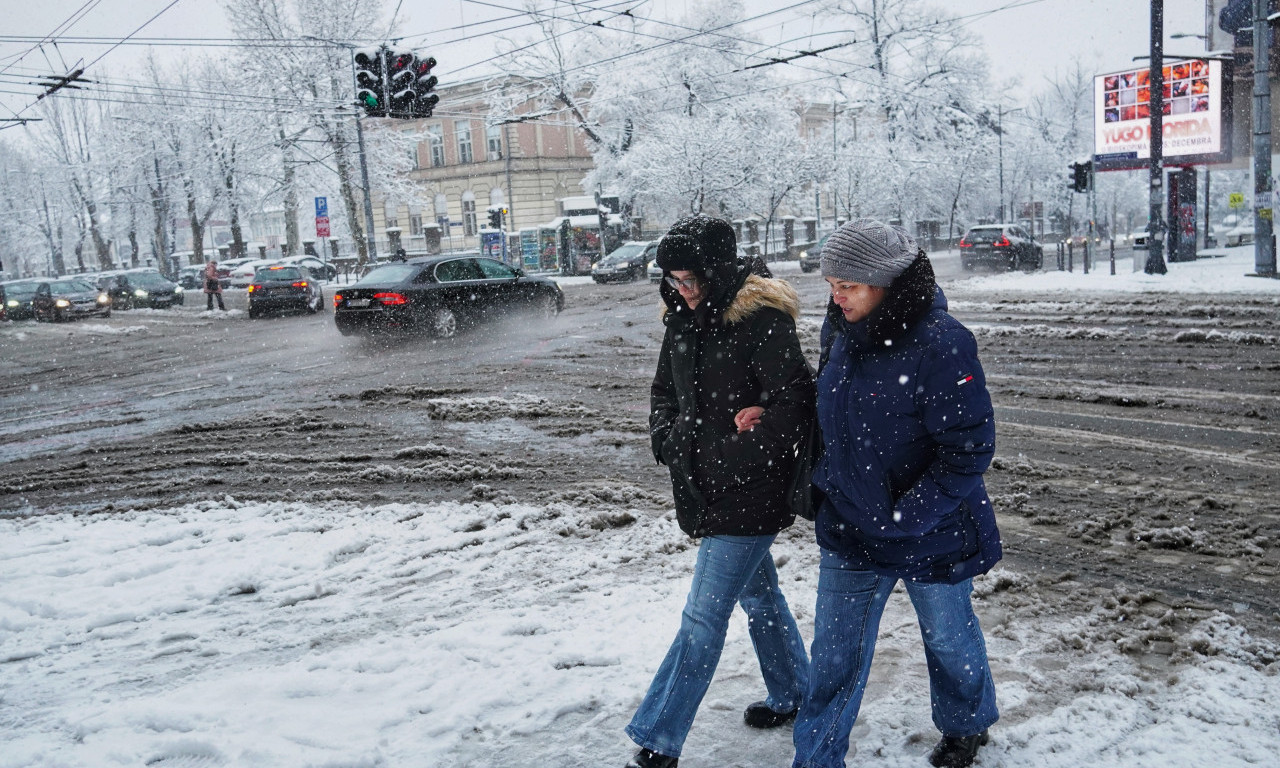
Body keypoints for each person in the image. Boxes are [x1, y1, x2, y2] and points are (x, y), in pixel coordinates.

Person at [792, 219, 1002, 768]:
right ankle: (816, 759)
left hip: (929, 530)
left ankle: (965, 725)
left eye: (849, 286)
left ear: (885, 282)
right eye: (831, 285)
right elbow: (829, 413)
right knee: (835, 658)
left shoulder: (941, 344)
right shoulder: (838, 330)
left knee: (949, 641)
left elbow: (968, 451)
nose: (836, 297)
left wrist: (907, 513)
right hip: (850, 525)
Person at [624, 215, 816, 768]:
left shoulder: (762, 322)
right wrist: (670, 441)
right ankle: (794, 693)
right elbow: (664, 393)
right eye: (673, 280)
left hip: (751, 489)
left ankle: (659, 736)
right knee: (760, 596)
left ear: (718, 270)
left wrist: (729, 456)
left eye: (690, 279)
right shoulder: (681, 319)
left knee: (703, 618)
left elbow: (793, 404)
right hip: (702, 482)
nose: (681, 290)